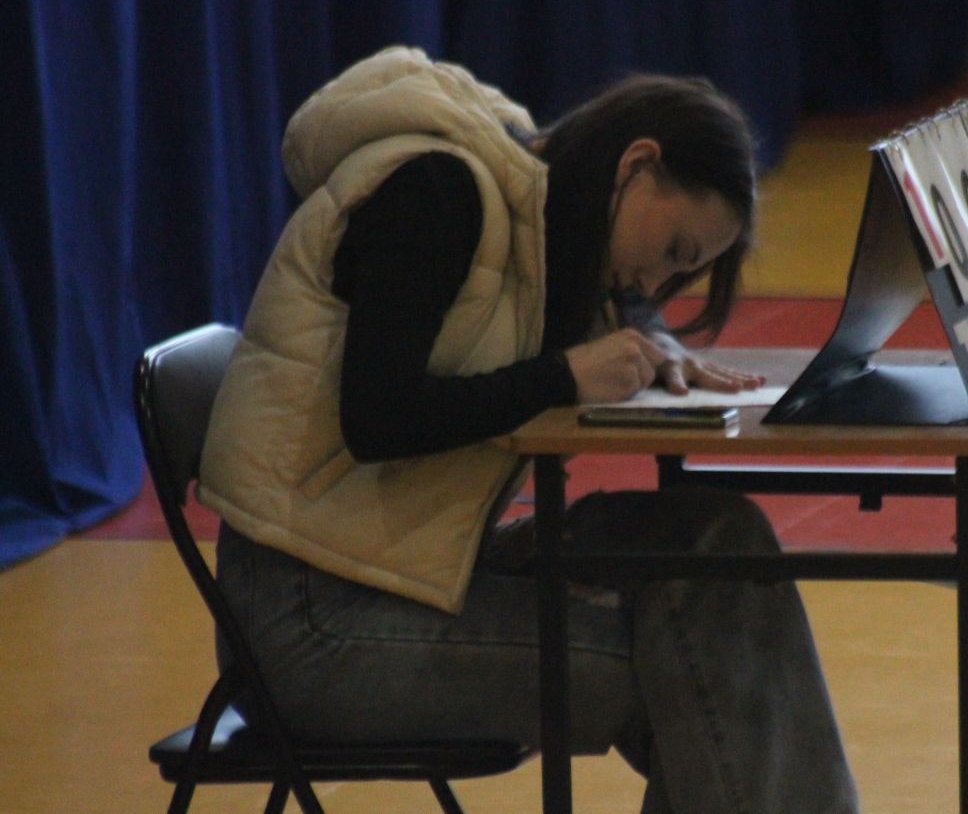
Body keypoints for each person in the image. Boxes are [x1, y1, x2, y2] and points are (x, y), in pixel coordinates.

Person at [198, 46, 858, 813]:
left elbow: (609, 302)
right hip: (310, 625)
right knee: (700, 665)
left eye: (682, 279)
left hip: (417, 565)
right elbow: (377, 416)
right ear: (635, 165)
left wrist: (657, 343)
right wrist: (565, 376)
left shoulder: (542, 204)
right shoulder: (438, 192)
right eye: (671, 255)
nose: (656, 286)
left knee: (722, 541)